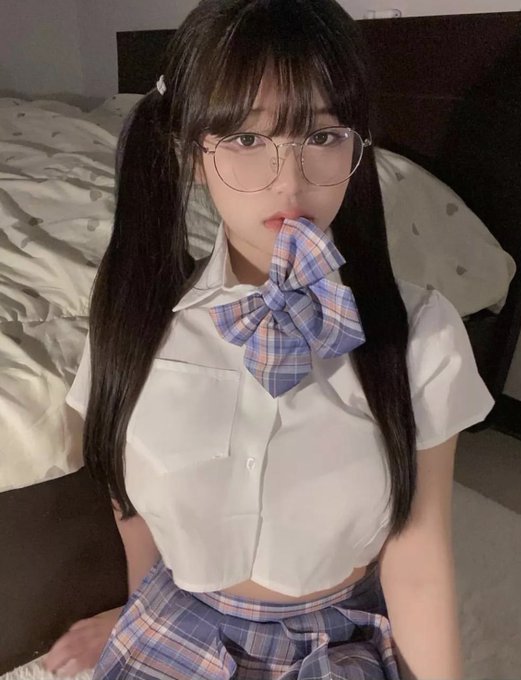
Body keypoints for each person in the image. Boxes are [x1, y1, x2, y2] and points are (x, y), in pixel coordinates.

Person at [42, 0, 495, 678]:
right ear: (193, 153)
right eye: (247, 139)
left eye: (322, 135)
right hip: (178, 624)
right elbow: (130, 507)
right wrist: (134, 613)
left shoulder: (421, 336)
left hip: (333, 644)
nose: (290, 180)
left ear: (358, 148)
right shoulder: (136, 323)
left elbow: (419, 558)